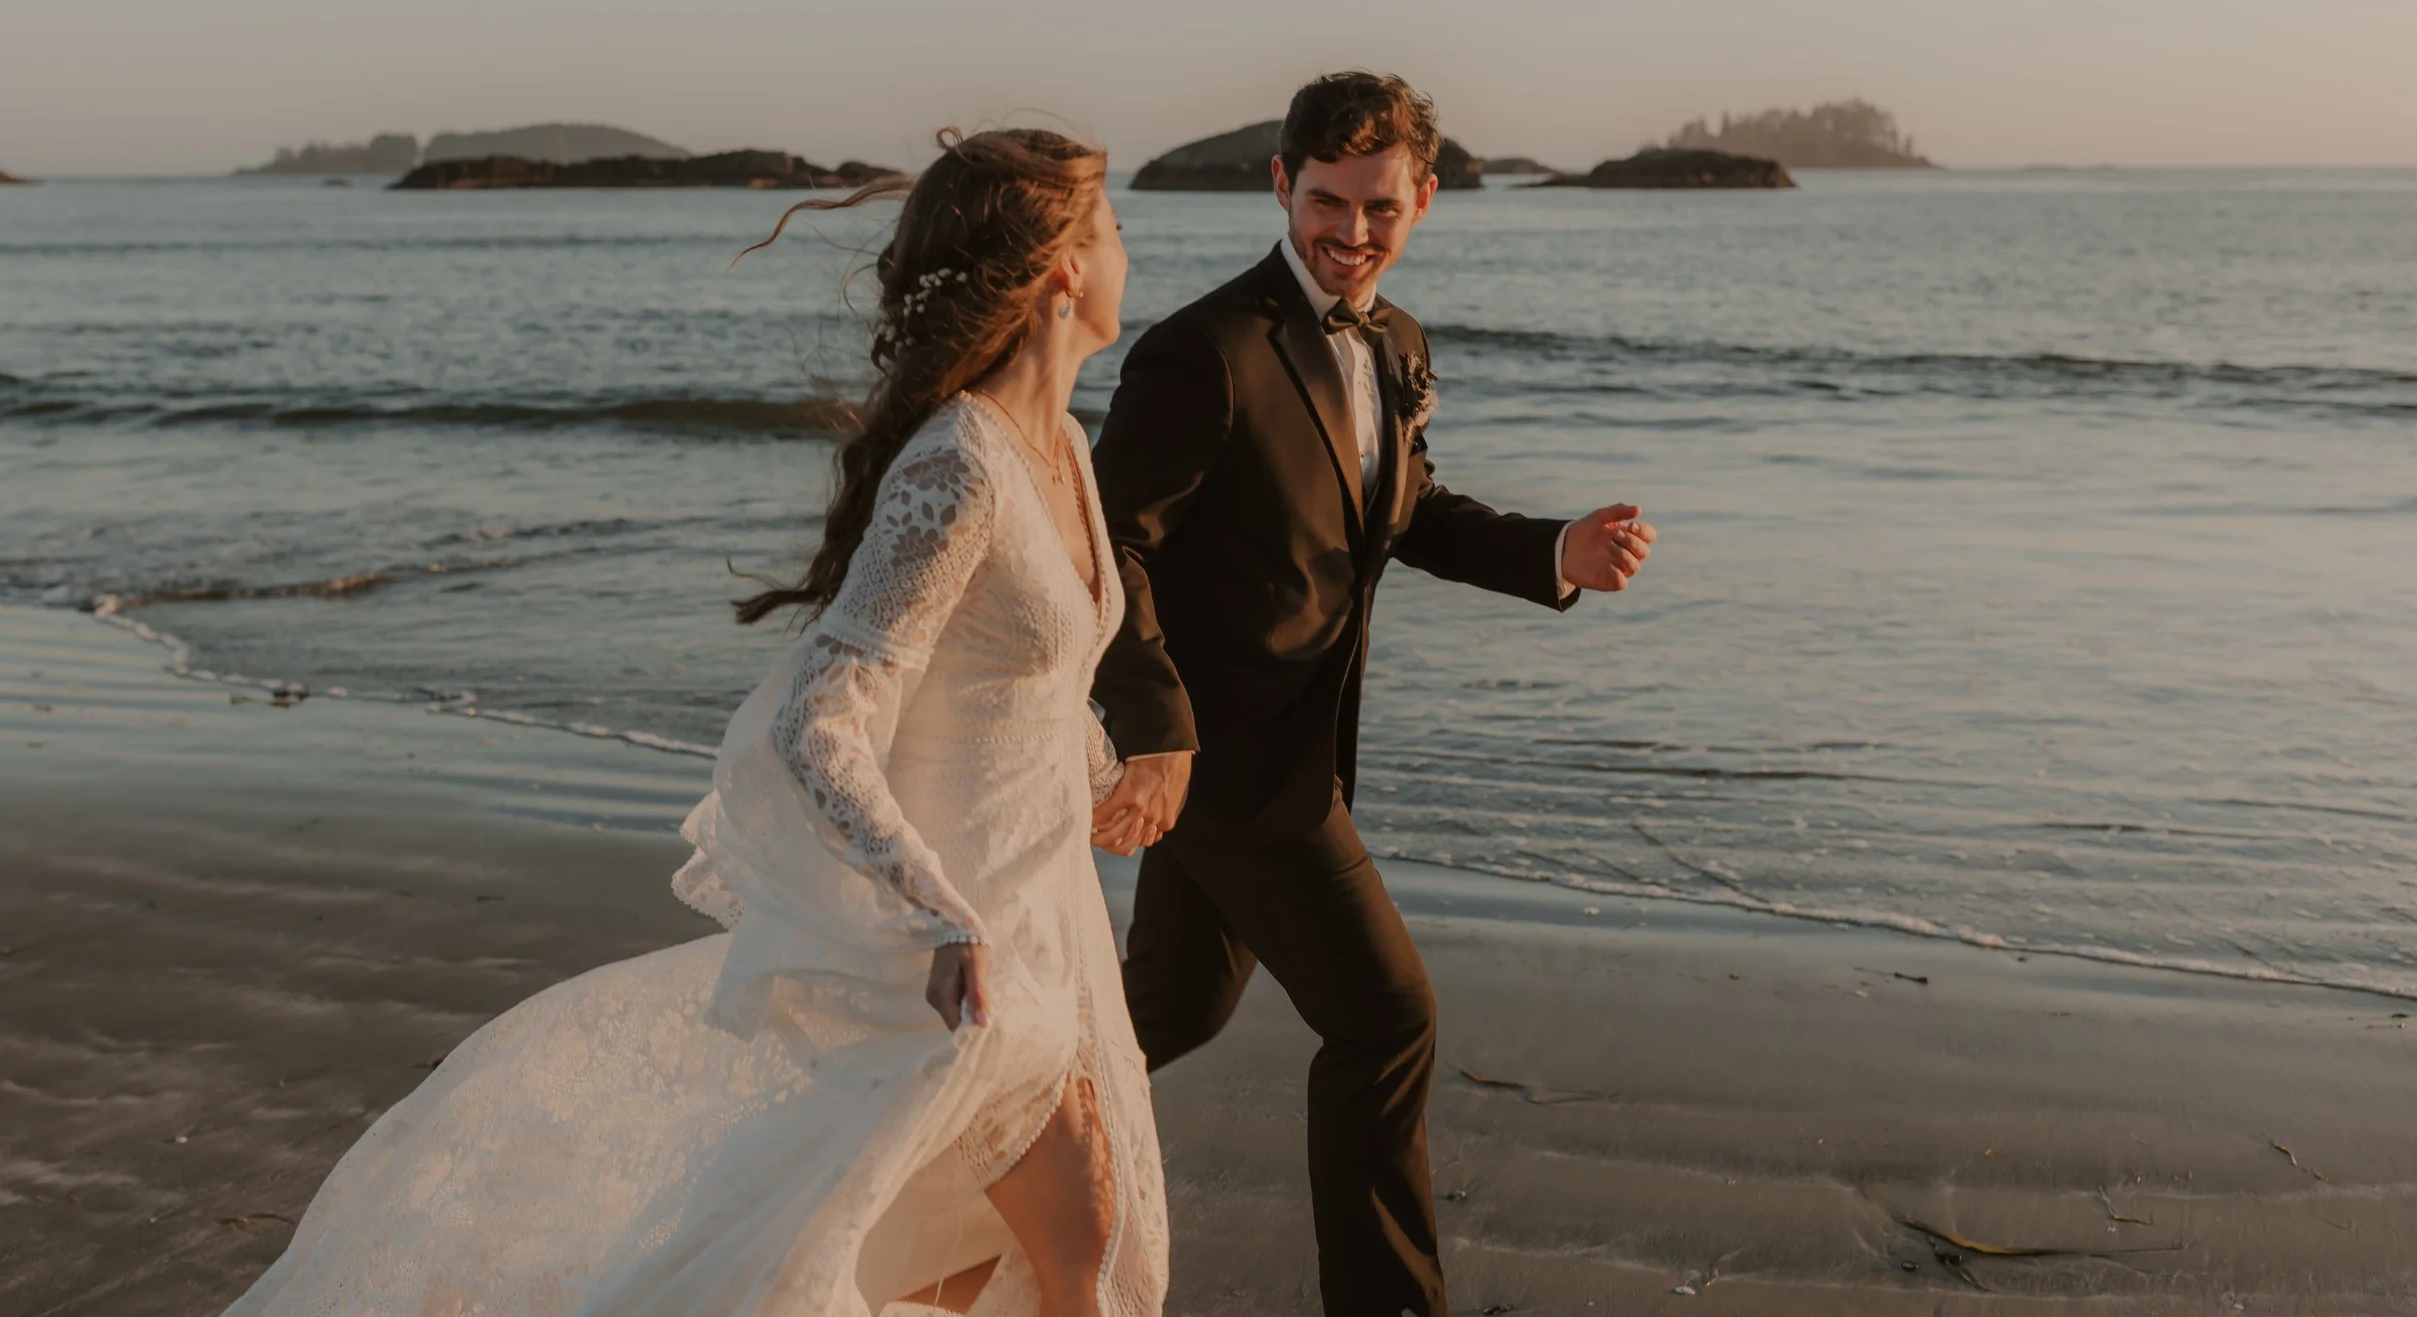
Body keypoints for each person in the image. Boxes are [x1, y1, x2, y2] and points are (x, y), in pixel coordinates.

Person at [224, 129, 1168, 1317]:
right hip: (957, 948)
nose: (1135, 250)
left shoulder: (1065, 450)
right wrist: (933, 911)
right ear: (1062, 270)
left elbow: (1019, 672)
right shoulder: (960, 466)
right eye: (1116, 228)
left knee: (978, 1266)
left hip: (1051, 914)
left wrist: (1107, 766)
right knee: (1083, 1242)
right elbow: (821, 717)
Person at [1087, 72, 1656, 1317]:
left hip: (1295, 749)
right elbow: (1104, 548)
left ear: (1425, 200)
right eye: (1329, 201)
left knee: (1159, 1013)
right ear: (1280, 184)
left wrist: (1549, 551)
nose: (1352, 230)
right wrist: (1157, 732)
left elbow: (1401, 509)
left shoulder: (1395, 342)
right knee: (1387, 1019)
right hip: (1230, 765)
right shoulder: (1203, 350)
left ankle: (951, 1131)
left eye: (1380, 206)